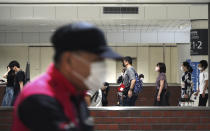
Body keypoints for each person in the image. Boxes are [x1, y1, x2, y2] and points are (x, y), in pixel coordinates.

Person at [12, 22, 121, 131]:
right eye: (93, 61)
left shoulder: (76, 93)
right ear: (68, 60)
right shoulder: (38, 98)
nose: (99, 69)